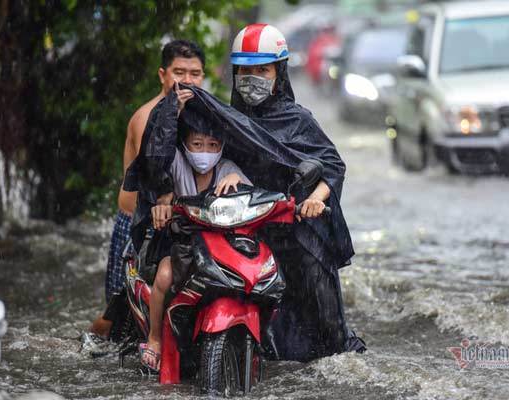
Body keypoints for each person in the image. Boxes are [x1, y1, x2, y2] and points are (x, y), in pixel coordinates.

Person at [227, 23, 366, 360]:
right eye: (245, 70)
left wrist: (316, 199)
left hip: (300, 230)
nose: (253, 77)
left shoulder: (299, 120)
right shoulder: (226, 120)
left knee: (328, 331)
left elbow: (332, 165)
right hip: (247, 229)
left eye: (263, 69)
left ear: (280, 72)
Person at [81, 39, 206, 350]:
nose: (187, 80)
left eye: (195, 73)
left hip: (180, 222)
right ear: (162, 75)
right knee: (117, 313)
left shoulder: (203, 117)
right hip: (137, 224)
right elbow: (154, 171)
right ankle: (87, 345)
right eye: (179, 72)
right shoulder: (146, 117)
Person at [138, 119, 252, 372]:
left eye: (212, 145)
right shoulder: (177, 163)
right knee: (165, 276)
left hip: (221, 247)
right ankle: (155, 338)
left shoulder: (227, 169)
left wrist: (237, 181)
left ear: (222, 147)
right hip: (182, 246)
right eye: (197, 144)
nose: (205, 152)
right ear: (185, 145)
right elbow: (159, 163)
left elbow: (253, 198)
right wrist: (163, 204)